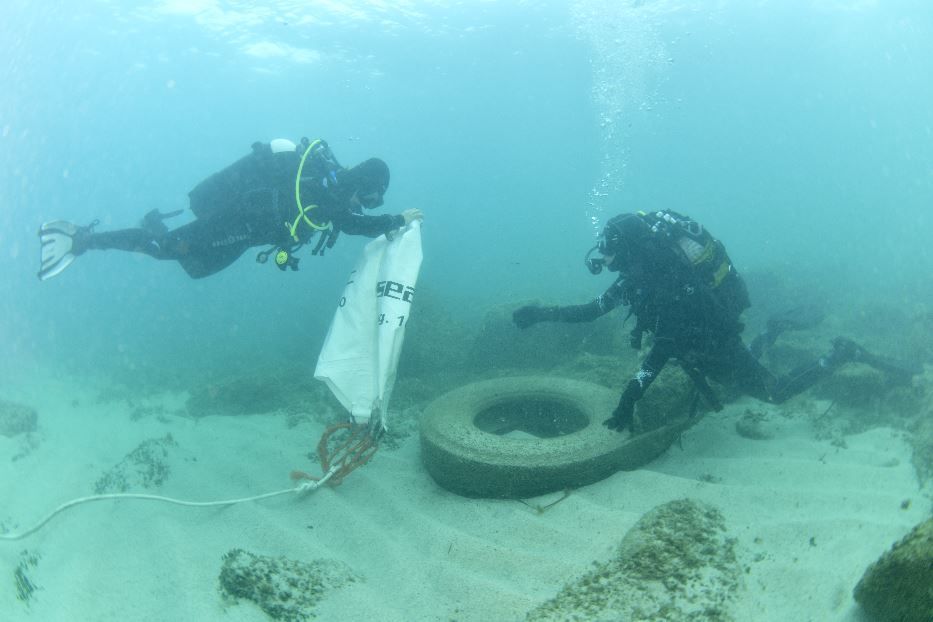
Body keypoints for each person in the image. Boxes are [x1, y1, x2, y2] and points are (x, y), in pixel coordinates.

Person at [512, 210, 917, 433]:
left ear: (634, 251)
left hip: (713, 340)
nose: (607, 261)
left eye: (613, 253)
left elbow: (662, 348)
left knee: (773, 392)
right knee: (736, 383)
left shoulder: (668, 283)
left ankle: (840, 354)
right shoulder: (636, 279)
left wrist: (629, 396)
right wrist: (540, 314)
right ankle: (773, 329)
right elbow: (592, 310)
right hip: (698, 345)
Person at [38, 137, 423, 280]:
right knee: (164, 250)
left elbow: (319, 226)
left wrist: (283, 256)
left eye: (372, 204)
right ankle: (80, 240)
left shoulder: (327, 188)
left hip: (243, 235)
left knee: (196, 268)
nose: (363, 206)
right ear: (362, 184)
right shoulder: (325, 186)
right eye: (369, 198)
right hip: (234, 222)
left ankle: (152, 226)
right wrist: (397, 220)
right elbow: (350, 224)